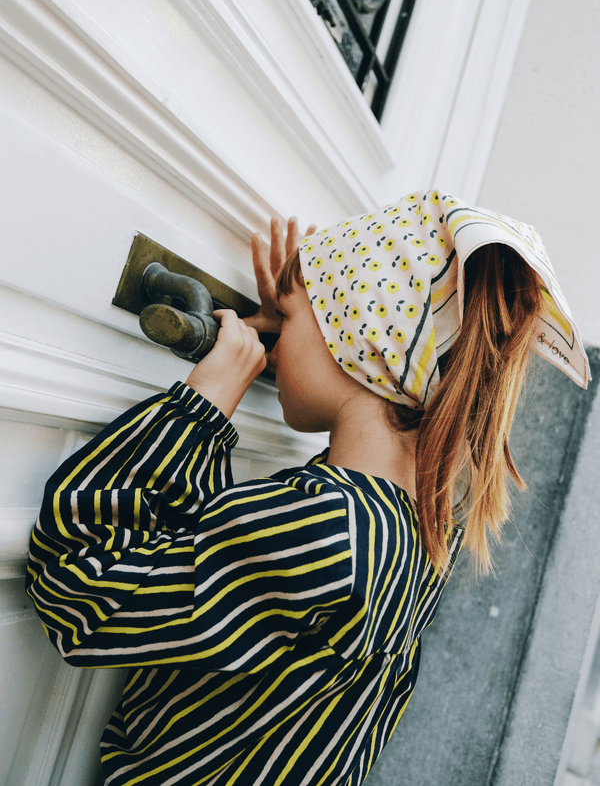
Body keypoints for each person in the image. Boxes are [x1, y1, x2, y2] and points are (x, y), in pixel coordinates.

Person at [26, 191, 589, 786]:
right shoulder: (407, 533)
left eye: (289, 321)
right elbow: (220, 560)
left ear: (360, 347)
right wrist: (304, 330)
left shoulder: (327, 532)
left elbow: (82, 597)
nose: (272, 335)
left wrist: (203, 407)